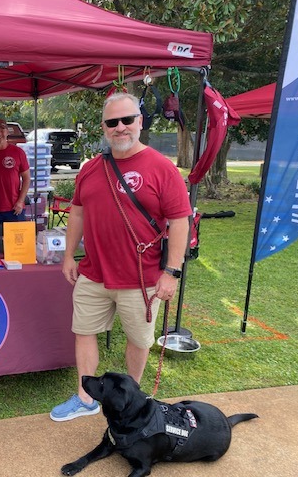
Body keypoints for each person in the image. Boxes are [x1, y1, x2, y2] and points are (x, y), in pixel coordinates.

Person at [50, 92, 191, 422]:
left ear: (140, 122)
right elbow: (77, 213)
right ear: (104, 127)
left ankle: (131, 400)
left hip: (140, 278)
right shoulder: (90, 168)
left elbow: (180, 221)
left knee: (138, 341)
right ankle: (86, 398)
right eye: (112, 122)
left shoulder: (162, 168)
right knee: (84, 331)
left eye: (127, 120)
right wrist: (69, 255)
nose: (120, 127)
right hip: (93, 273)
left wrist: (171, 272)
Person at [0, 118, 30, 224]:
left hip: (15, 208)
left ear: (7, 132)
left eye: (2, 130)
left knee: (17, 235)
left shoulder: (18, 152)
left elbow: (26, 178)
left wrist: (20, 201)